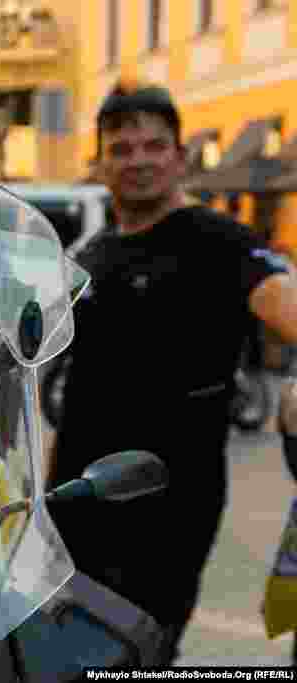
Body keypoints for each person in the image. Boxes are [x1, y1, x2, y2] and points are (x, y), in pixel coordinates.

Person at [45, 80, 297, 664]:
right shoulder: (92, 255)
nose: (138, 161)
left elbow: (286, 304)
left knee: (134, 654)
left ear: (180, 158)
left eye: (154, 146)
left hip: (168, 504)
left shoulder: (219, 240)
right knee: (60, 655)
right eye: (121, 149)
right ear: (100, 164)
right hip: (79, 494)